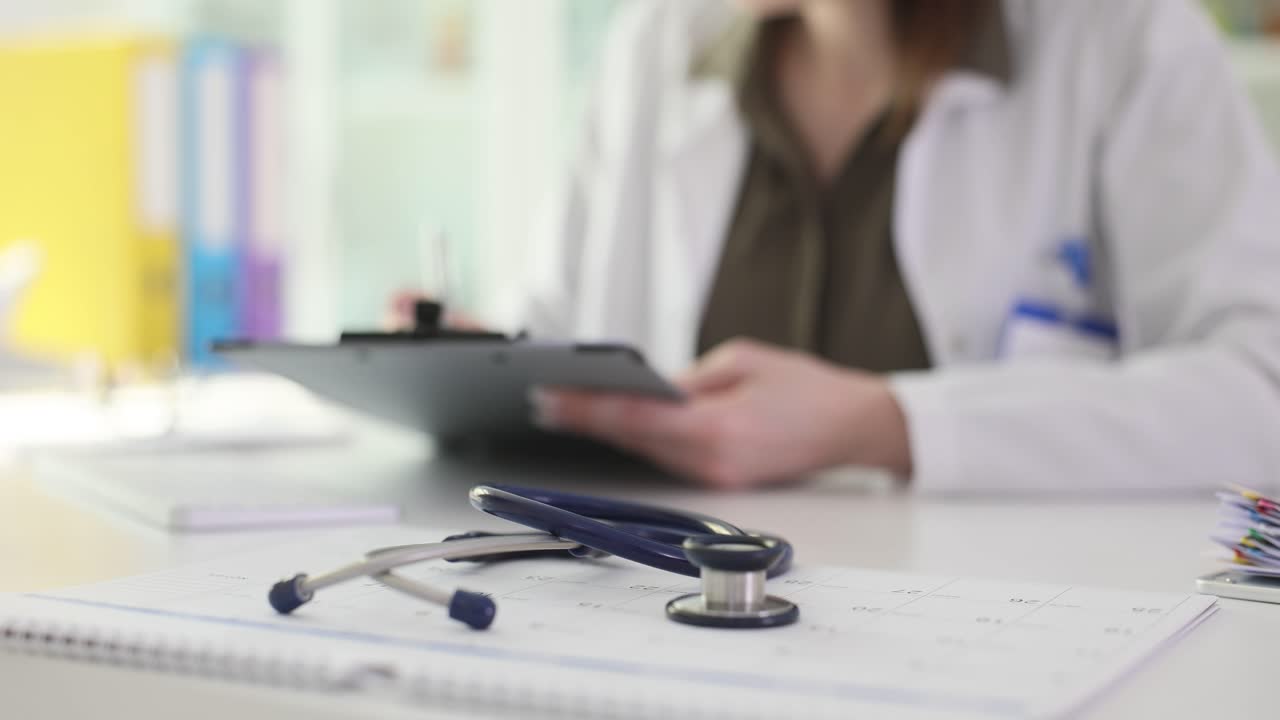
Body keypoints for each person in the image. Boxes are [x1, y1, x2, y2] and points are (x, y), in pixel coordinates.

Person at [401, 0, 1280, 494]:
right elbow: (564, 320)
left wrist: (888, 425)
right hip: (681, 632)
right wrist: (484, 364)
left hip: (1009, 638)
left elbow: (1258, 391)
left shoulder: (1128, 43)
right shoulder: (660, 45)